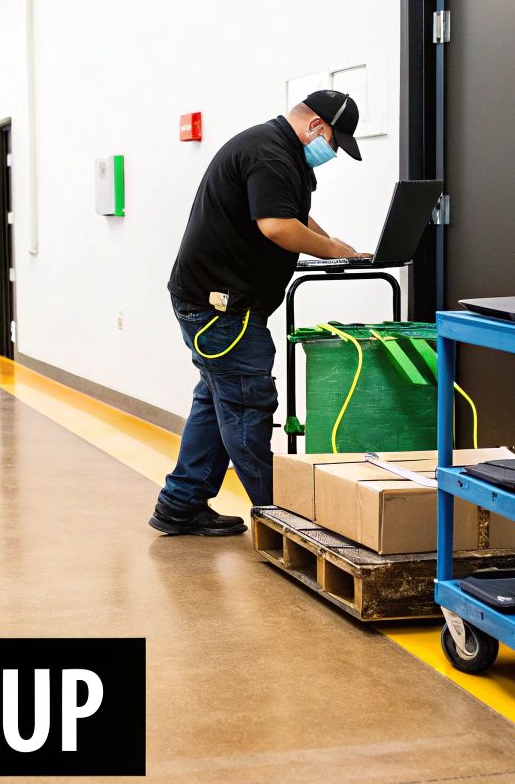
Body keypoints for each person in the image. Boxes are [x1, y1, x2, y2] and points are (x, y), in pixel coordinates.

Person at [151, 90, 366, 536]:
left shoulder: (275, 149)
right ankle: (287, 522)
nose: (333, 153)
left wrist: (337, 249)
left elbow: (291, 216)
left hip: (213, 304)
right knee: (247, 409)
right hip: (223, 311)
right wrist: (330, 251)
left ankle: (180, 504)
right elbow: (276, 227)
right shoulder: (270, 155)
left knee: (216, 405)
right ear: (314, 127)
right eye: (334, 141)